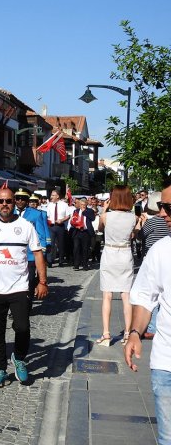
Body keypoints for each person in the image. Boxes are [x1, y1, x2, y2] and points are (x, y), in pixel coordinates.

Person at [0, 187, 48, 387]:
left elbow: (38, 254)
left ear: (15, 203)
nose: (5, 205)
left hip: (20, 287)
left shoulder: (26, 226)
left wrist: (42, 281)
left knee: (22, 327)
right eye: (1, 201)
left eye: (9, 201)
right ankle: (0, 369)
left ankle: (19, 358)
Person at [124, 178, 171, 445]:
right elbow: (143, 296)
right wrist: (134, 333)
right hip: (166, 364)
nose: (162, 213)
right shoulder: (161, 251)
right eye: (162, 206)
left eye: (168, 207)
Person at [95, 185, 137, 346]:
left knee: (107, 295)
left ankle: (106, 334)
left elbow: (100, 230)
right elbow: (134, 235)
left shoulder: (106, 216)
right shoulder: (133, 218)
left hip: (110, 253)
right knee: (126, 295)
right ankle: (127, 334)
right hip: (125, 253)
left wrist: (104, 211)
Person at [135, 192, 168, 339]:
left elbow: (139, 236)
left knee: (153, 294)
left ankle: (152, 326)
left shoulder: (153, 221)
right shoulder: (165, 223)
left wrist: (140, 223)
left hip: (150, 257)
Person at [14, 188, 49, 300]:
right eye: (17, 198)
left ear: (27, 200)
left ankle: (26, 304)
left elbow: (41, 235)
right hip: (13, 254)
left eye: (23, 198)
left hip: (29, 254)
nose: (20, 201)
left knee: (29, 281)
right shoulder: (9, 212)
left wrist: (42, 253)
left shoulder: (36, 214)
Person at [69, 198, 95, 271]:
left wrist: (84, 212)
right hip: (77, 232)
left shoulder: (90, 211)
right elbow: (73, 220)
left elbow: (93, 218)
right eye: (81, 204)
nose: (83, 206)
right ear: (79, 205)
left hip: (86, 232)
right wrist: (74, 225)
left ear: (86, 204)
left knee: (85, 249)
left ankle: (85, 265)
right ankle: (76, 264)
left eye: (84, 204)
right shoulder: (76, 211)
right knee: (76, 248)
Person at [46, 189, 70, 267]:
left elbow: (68, 216)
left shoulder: (64, 205)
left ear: (57, 196)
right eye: (51, 195)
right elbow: (47, 215)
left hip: (60, 226)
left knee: (61, 244)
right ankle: (49, 261)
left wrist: (62, 220)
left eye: (53, 195)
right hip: (51, 227)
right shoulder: (49, 205)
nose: (51, 197)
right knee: (50, 244)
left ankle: (61, 261)